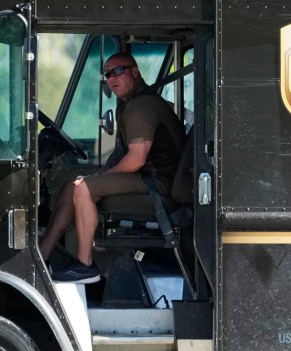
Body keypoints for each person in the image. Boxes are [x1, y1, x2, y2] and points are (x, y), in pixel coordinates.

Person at [39, 52, 186, 283]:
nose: (112, 78)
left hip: (157, 183)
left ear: (136, 72)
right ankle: (42, 255)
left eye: (118, 71)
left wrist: (102, 177)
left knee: (83, 189)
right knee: (72, 186)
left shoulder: (142, 106)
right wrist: (99, 175)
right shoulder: (127, 104)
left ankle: (85, 265)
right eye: (107, 74)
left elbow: (136, 158)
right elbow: (121, 151)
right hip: (145, 177)